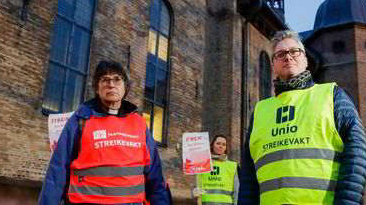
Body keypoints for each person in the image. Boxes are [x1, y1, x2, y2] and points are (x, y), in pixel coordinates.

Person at [238, 30, 366, 204]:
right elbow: (249, 176)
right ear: (272, 65)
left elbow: (357, 154)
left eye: (294, 51)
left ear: (305, 60)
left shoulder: (332, 96)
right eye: (280, 54)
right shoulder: (260, 111)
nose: (288, 57)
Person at [38, 60, 169, 205]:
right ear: (96, 87)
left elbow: (155, 178)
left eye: (117, 79)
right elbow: (56, 174)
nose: (111, 84)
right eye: (105, 80)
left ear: (125, 87)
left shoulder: (140, 124)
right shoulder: (80, 120)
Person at [192, 134, 240, 204]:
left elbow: (236, 192)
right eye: (218, 143)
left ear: (226, 148)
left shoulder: (232, 166)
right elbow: (195, 186)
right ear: (212, 145)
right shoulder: (202, 164)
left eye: (224, 144)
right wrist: (194, 193)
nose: (221, 146)